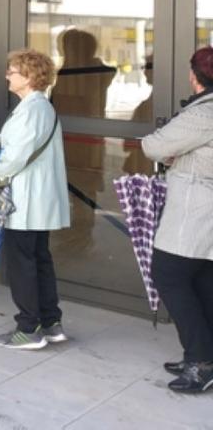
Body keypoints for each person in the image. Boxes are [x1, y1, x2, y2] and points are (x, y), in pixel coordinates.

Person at [0, 48, 69, 350]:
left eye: (12, 70)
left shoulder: (32, 110)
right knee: (39, 260)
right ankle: (50, 322)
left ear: (29, 76)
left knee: (22, 264)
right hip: (39, 199)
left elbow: (11, 160)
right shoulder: (42, 107)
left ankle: (28, 328)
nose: (7, 75)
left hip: (26, 199)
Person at [141, 46, 213, 393]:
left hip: (196, 210)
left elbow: (154, 145)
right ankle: (204, 357)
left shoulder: (203, 114)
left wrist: (172, 153)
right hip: (204, 209)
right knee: (201, 280)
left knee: (168, 273)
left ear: (194, 76)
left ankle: (200, 361)